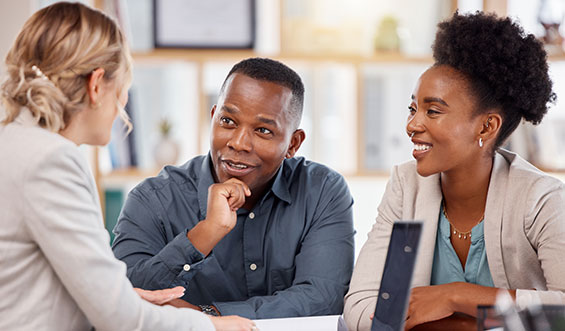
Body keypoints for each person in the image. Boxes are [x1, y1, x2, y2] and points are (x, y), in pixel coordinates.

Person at [0, 2, 253, 330]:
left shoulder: (15, 144)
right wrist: (214, 327)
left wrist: (124, 296)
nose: (122, 105)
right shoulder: (51, 161)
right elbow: (118, 320)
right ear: (96, 85)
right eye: (122, 90)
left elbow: (35, 283)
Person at [344, 11, 565, 331]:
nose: (412, 125)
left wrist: (457, 296)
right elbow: (360, 304)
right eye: (412, 108)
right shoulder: (406, 186)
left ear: (487, 127)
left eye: (432, 111)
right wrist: (476, 319)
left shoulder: (540, 198)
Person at [112, 57, 356, 319]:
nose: (239, 143)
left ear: (293, 144)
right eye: (228, 121)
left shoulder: (322, 192)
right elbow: (124, 299)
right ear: (213, 117)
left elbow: (323, 299)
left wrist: (206, 317)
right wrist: (206, 233)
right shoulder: (153, 199)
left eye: (263, 130)